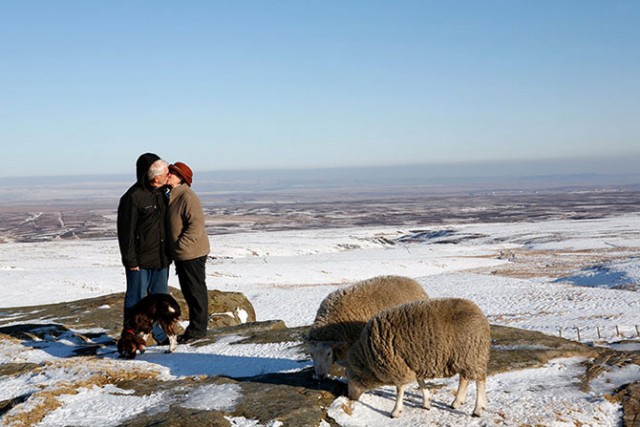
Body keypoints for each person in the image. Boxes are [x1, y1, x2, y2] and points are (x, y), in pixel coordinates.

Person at [117, 153, 172, 344]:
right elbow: (126, 232)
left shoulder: (163, 193)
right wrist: (130, 260)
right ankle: (130, 339)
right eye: (166, 173)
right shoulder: (132, 198)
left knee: (161, 301)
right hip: (139, 261)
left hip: (161, 259)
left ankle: (161, 335)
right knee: (136, 301)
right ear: (155, 177)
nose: (169, 175)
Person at [166, 161, 211, 343]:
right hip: (185, 253)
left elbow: (196, 226)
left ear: (180, 178)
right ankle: (195, 328)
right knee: (190, 290)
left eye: (172, 173)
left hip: (192, 252)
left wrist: (180, 246)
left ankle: (198, 330)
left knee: (195, 290)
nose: (168, 174)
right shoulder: (174, 195)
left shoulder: (187, 197)